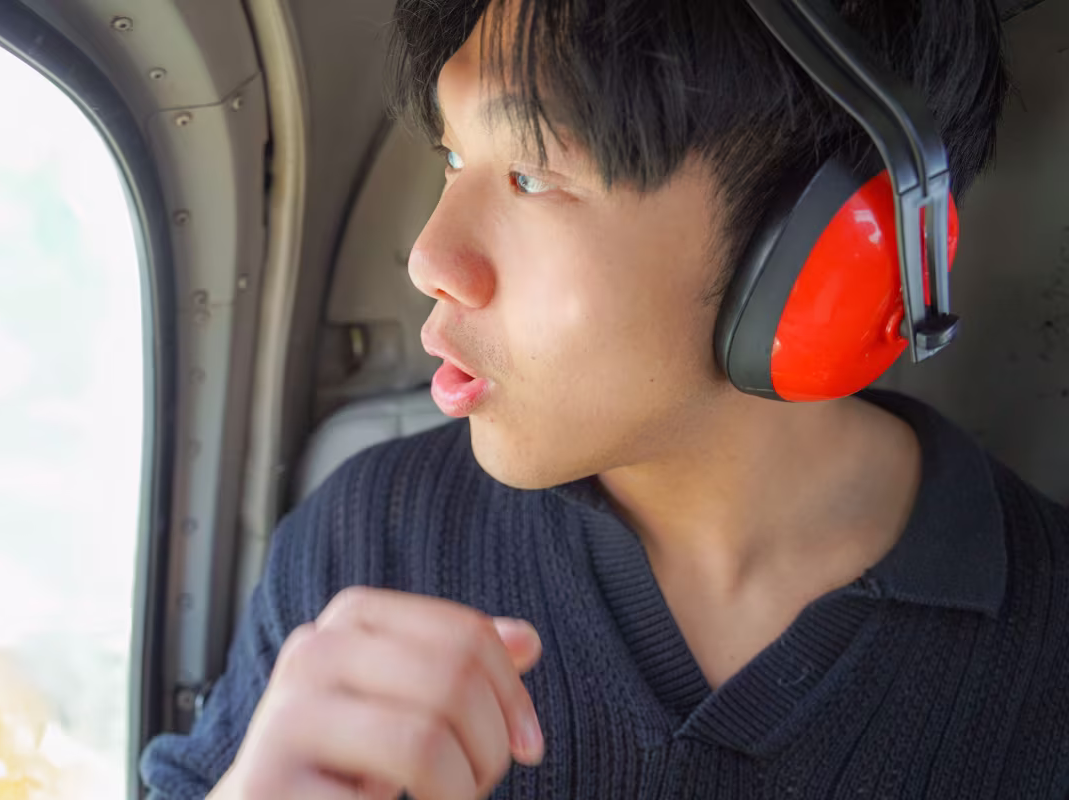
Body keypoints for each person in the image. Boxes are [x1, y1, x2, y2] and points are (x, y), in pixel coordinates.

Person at [141, 0, 1069, 797]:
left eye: (534, 174)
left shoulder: (1049, 644)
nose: (429, 258)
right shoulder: (365, 541)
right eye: (452, 152)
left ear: (826, 250)